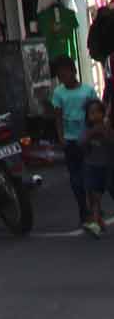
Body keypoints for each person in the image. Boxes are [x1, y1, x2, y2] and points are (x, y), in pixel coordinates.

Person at [52, 56, 104, 232]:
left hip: (87, 140)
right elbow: (58, 117)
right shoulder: (59, 93)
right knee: (76, 180)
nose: (63, 76)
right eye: (60, 74)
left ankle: (94, 209)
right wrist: (61, 137)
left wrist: (97, 133)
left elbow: (97, 114)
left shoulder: (87, 91)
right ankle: (84, 209)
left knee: (90, 177)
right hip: (70, 141)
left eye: (65, 72)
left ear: (73, 71)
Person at [83, 96, 111, 239]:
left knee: (99, 195)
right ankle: (96, 221)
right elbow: (82, 144)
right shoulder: (88, 130)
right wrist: (90, 135)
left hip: (106, 167)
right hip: (92, 166)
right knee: (95, 197)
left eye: (97, 112)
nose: (95, 115)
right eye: (91, 113)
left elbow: (109, 141)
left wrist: (102, 132)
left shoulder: (106, 127)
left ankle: (96, 221)